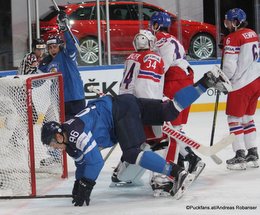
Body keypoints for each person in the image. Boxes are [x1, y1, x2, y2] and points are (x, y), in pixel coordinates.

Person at [41, 67, 231, 206]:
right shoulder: (69, 141)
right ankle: (206, 82)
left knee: (132, 152)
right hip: (124, 104)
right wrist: (78, 182)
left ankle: (176, 172)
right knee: (169, 111)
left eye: (51, 143)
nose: (52, 147)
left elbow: (95, 161)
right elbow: (82, 163)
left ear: (58, 136)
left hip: (119, 112)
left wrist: (87, 183)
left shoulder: (74, 133)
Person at [149, 11, 206, 194]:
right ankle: (184, 159)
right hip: (186, 77)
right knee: (177, 127)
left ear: (156, 25)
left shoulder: (158, 39)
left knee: (169, 127)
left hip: (174, 79)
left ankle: (191, 158)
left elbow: (161, 68)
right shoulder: (173, 38)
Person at [111, 29, 166, 186]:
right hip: (151, 104)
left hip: (131, 104)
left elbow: (128, 84)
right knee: (158, 141)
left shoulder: (131, 57)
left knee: (134, 141)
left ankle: (121, 172)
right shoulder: (157, 58)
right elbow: (154, 84)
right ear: (149, 42)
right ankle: (159, 177)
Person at [222, 8, 260, 170]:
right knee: (247, 118)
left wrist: (224, 80)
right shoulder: (252, 33)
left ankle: (240, 156)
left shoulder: (233, 37)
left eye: (229, 21)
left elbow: (230, 67)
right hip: (256, 81)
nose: (227, 24)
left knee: (233, 119)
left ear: (236, 22)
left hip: (241, 84)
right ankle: (253, 153)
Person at [38, 11, 85, 121]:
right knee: (65, 131)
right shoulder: (46, 63)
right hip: (60, 101)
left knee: (80, 127)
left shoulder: (67, 55)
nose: (52, 49)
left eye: (54, 46)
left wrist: (65, 29)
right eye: (49, 48)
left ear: (60, 46)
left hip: (75, 98)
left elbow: (73, 45)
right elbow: (38, 81)